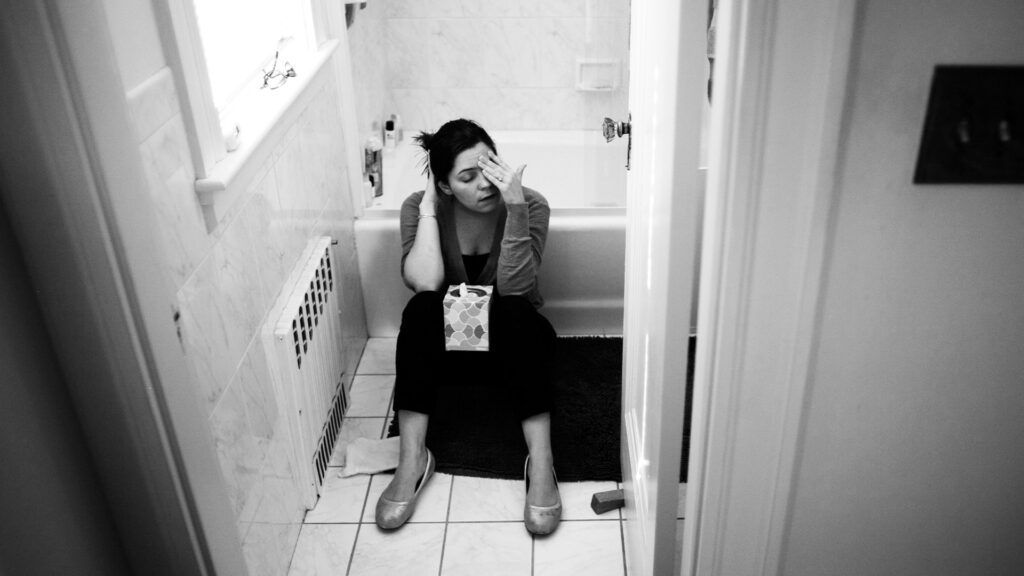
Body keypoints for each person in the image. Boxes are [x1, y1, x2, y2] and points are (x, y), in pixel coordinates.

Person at [375, 118, 561, 535]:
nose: (485, 183)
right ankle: (412, 460)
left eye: (489, 166)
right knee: (422, 310)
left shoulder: (530, 204)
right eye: (467, 177)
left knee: (515, 313)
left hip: (514, 348)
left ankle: (543, 463)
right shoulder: (419, 208)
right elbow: (424, 282)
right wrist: (427, 211)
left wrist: (514, 210)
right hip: (450, 356)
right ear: (444, 185)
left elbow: (516, 288)